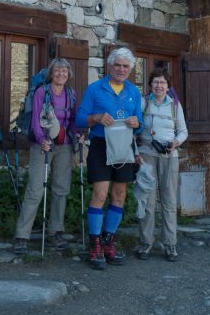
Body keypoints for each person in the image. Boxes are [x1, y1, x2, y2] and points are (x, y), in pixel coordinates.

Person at [74, 47, 143, 269]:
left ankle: (108, 241)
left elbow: (140, 123)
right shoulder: (95, 89)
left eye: (126, 66)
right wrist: (95, 117)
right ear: (109, 66)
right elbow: (80, 119)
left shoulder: (134, 92)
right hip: (101, 146)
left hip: (124, 147)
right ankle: (94, 244)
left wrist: (136, 123)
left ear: (130, 69)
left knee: (120, 194)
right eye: (118, 65)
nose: (121, 69)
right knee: (100, 193)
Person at [12, 59, 77, 255]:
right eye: (57, 71)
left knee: (61, 189)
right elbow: (35, 121)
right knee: (35, 189)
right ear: (51, 74)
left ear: (68, 74)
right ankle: (22, 236)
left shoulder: (71, 94)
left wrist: (78, 135)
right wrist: (41, 140)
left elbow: (72, 120)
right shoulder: (42, 92)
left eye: (64, 71)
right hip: (42, 145)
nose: (60, 74)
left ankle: (55, 232)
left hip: (64, 146)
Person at [134, 68, 187, 261]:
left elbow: (183, 131)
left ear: (168, 86)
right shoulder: (143, 103)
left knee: (169, 201)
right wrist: (135, 153)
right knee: (147, 201)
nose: (159, 86)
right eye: (155, 82)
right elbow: (134, 130)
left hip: (169, 156)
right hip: (146, 156)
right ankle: (145, 243)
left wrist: (176, 143)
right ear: (150, 85)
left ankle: (170, 244)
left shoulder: (174, 106)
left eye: (162, 82)